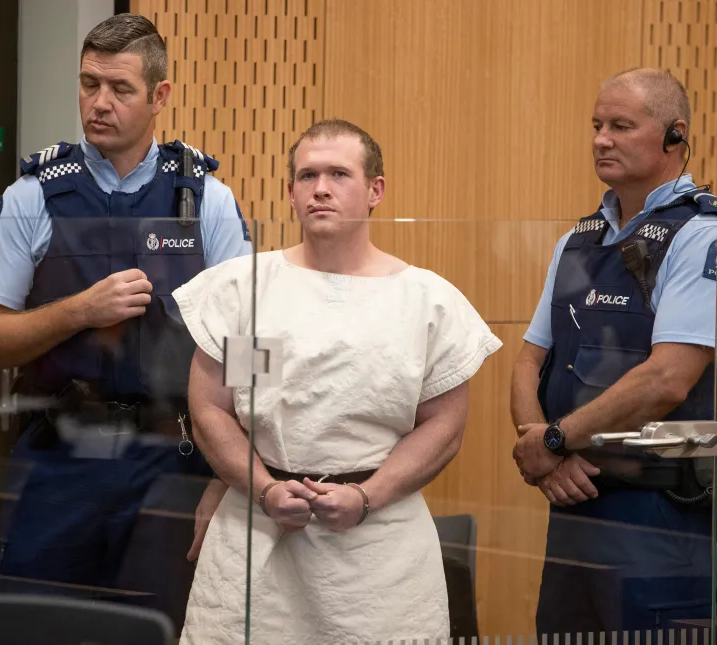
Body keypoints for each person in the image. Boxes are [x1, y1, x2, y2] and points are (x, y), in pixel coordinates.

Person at [0, 13, 250, 629]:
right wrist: (78, 312)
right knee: (31, 627)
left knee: (161, 629)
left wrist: (232, 475)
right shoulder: (33, 194)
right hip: (61, 452)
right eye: (89, 84)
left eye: (119, 89)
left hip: (172, 456)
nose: (99, 103)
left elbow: (249, 350)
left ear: (159, 96)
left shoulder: (207, 200)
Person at [170, 119, 502, 644]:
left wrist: (366, 496)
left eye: (339, 174)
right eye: (307, 176)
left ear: (376, 190)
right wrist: (266, 489)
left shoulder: (425, 301)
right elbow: (215, 409)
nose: (320, 188)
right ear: (291, 192)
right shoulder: (252, 290)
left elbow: (443, 428)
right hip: (257, 536)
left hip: (379, 553)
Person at [510, 68, 717, 637]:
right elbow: (529, 360)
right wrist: (542, 448)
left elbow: (668, 378)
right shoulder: (580, 239)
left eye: (621, 125)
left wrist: (553, 438)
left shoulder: (706, 237)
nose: (601, 138)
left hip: (661, 516)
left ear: (675, 135)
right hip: (573, 499)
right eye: (597, 125)